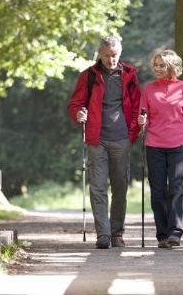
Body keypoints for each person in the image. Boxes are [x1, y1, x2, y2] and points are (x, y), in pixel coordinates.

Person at [68, 35, 141, 249]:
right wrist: (78, 115)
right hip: (96, 139)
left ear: (120, 53)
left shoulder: (129, 75)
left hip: (122, 140)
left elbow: (138, 107)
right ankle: (103, 235)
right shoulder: (88, 76)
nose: (111, 60)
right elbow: (75, 104)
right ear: (100, 54)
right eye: (108, 56)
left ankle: (117, 233)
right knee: (97, 187)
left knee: (120, 188)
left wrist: (132, 136)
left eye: (115, 55)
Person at [137, 49, 183, 249]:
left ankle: (175, 233)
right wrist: (141, 121)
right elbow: (142, 120)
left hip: (178, 145)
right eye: (155, 65)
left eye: (162, 65)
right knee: (157, 192)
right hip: (154, 145)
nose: (157, 68)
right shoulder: (148, 89)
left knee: (176, 188)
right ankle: (162, 235)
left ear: (171, 66)